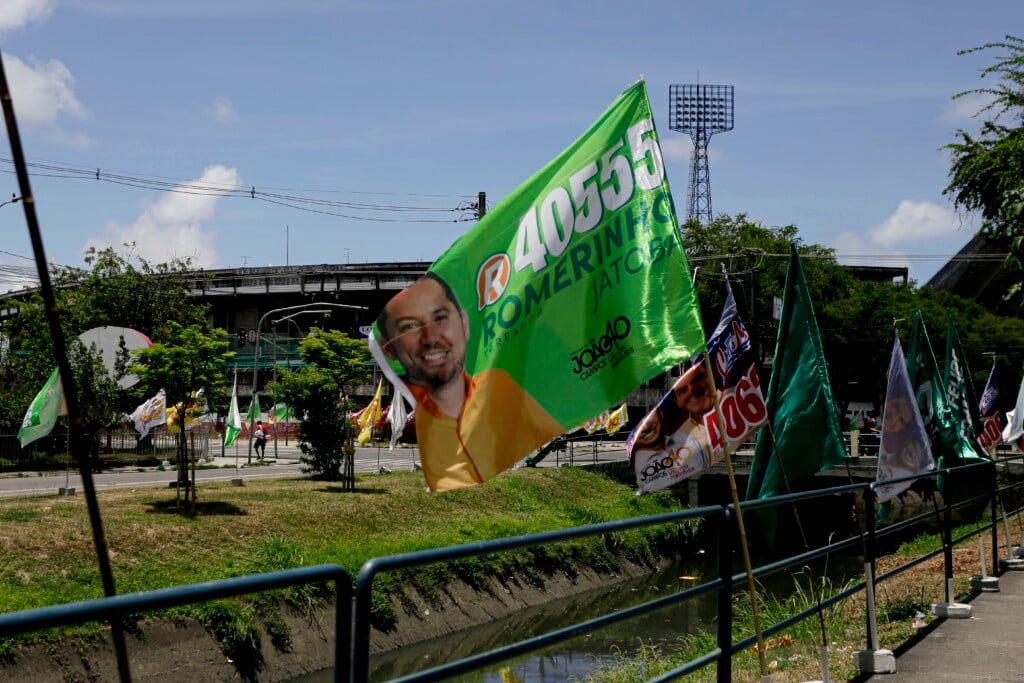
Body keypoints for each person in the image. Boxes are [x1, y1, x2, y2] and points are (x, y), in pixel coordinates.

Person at [376, 273, 562, 492]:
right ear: (390, 349)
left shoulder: (501, 384)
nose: (432, 338)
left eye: (441, 319)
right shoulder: (423, 408)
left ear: (464, 326)